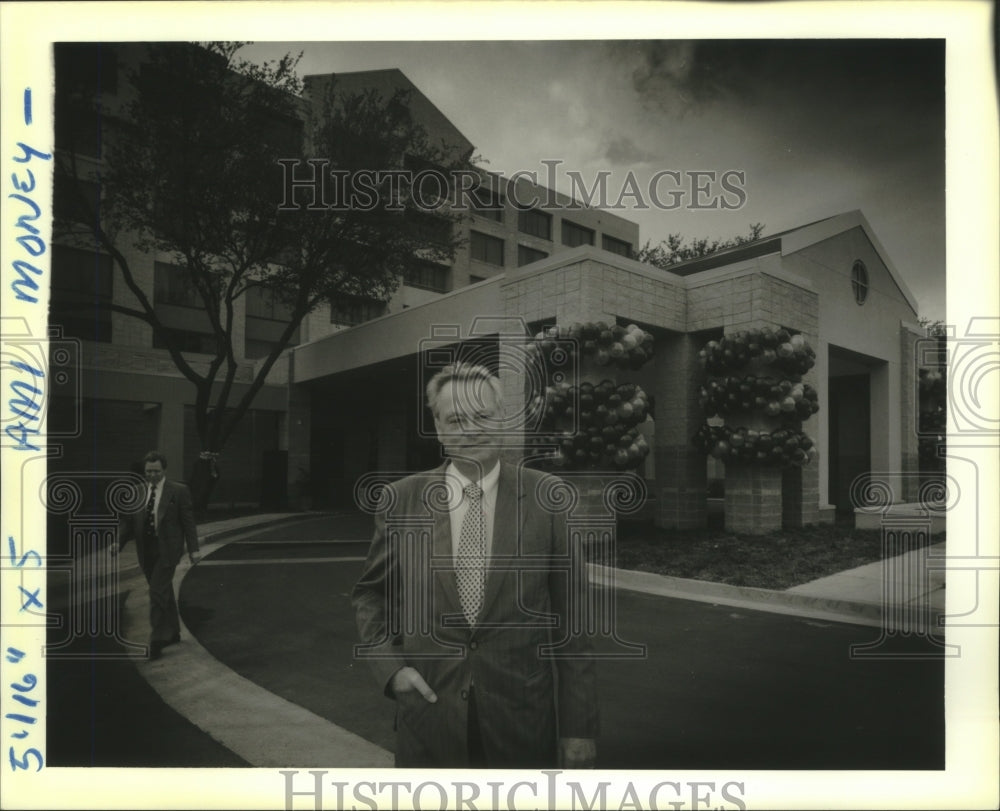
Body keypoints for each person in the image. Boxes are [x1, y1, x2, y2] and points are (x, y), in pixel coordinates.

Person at [352, 363, 598, 768]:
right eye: (456, 419)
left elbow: (574, 623)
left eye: (482, 416)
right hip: (429, 718)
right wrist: (390, 670)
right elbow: (370, 594)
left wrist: (579, 727)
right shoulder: (401, 500)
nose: (470, 429)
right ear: (438, 426)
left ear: (503, 417)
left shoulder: (548, 497)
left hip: (521, 724)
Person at [113, 450, 200, 660]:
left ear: (164, 470)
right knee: (163, 591)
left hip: (168, 549)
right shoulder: (138, 491)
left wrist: (194, 548)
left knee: (157, 593)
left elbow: (188, 521)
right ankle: (174, 633)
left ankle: (157, 639)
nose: (152, 475)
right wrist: (118, 542)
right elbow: (128, 522)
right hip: (146, 550)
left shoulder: (178, 491)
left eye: (156, 471)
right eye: (148, 471)